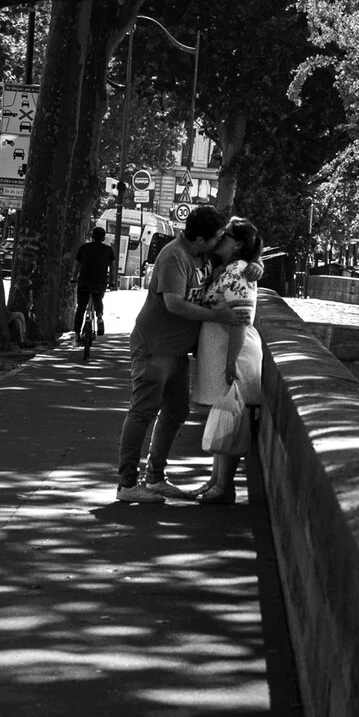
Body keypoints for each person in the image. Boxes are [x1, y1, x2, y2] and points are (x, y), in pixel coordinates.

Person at [116, 204, 245, 502]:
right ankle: (127, 484)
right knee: (142, 412)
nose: (220, 240)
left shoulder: (203, 255)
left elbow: (239, 258)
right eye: (217, 236)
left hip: (177, 351)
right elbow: (174, 304)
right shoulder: (174, 256)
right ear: (200, 239)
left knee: (176, 411)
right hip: (154, 347)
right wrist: (218, 317)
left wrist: (252, 264)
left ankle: (155, 478)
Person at [192, 217, 265, 504]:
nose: (218, 237)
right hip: (226, 354)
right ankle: (216, 482)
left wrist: (230, 362)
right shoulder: (228, 268)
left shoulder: (238, 271)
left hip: (234, 355)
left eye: (225, 235)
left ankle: (224, 487)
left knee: (231, 420)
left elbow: (241, 318)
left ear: (235, 244)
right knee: (224, 416)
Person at [73, 224, 114, 357]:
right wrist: (112, 281)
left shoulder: (84, 248)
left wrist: (73, 278)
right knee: (98, 299)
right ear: (103, 238)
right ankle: (100, 317)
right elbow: (113, 267)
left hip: (84, 281)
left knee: (81, 308)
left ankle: (76, 335)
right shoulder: (108, 250)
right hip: (100, 282)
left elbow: (77, 265)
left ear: (92, 236)